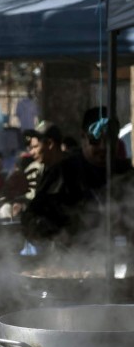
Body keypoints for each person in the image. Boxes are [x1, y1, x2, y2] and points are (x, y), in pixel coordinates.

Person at [22, 107, 133, 256]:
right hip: (72, 264)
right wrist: (56, 231)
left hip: (122, 263)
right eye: (95, 140)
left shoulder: (127, 173)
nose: (103, 147)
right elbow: (31, 221)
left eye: (110, 140)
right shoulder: (62, 173)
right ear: (83, 137)